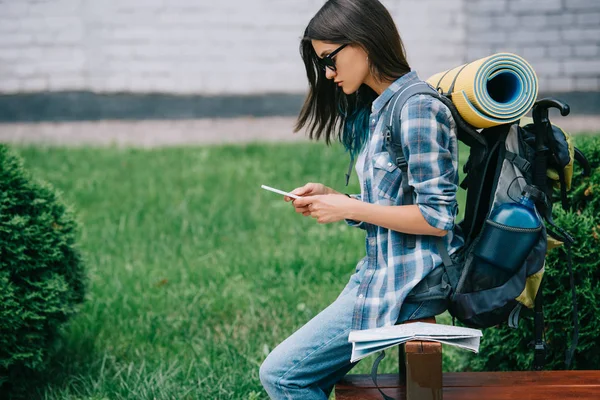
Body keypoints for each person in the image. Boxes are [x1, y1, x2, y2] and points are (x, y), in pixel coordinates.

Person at [259, 0, 464, 398]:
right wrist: (337, 198)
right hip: (384, 273)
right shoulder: (384, 108)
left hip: (409, 284)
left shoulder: (418, 108)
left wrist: (349, 208)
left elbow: (437, 216)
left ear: (363, 43)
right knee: (296, 375)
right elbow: (396, 200)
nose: (327, 73)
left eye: (329, 59)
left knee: (283, 376)